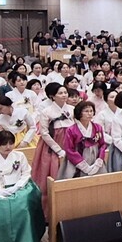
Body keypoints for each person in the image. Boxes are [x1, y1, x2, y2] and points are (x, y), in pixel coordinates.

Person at [30, 82, 74, 218]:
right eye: (60, 93)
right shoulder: (46, 112)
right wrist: (58, 150)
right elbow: (44, 133)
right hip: (51, 148)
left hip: (70, 146)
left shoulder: (72, 109)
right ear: (52, 96)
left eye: (65, 92)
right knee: (50, 178)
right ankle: (50, 214)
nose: (64, 95)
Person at [61, 101, 108, 178]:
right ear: (79, 113)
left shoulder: (97, 127)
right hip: (77, 158)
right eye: (86, 111)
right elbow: (69, 149)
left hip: (95, 158)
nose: (90, 113)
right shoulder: (71, 130)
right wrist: (83, 166)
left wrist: (99, 160)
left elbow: (102, 145)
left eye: (91, 111)